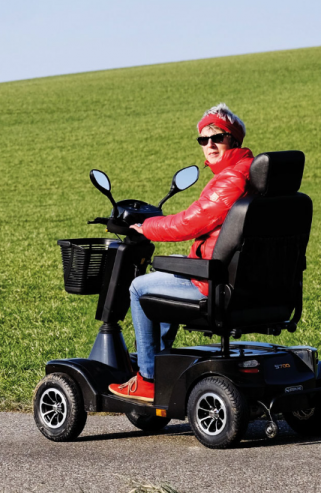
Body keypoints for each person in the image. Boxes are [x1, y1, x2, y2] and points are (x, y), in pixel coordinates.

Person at [108, 103, 254, 403]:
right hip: (243, 279)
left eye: (218, 137)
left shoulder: (230, 180)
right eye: (203, 139)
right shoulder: (253, 176)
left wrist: (146, 227)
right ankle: (163, 365)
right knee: (167, 274)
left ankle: (148, 378)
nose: (210, 145)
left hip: (216, 284)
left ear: (234, 140)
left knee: (138, 287)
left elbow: (190, 222)